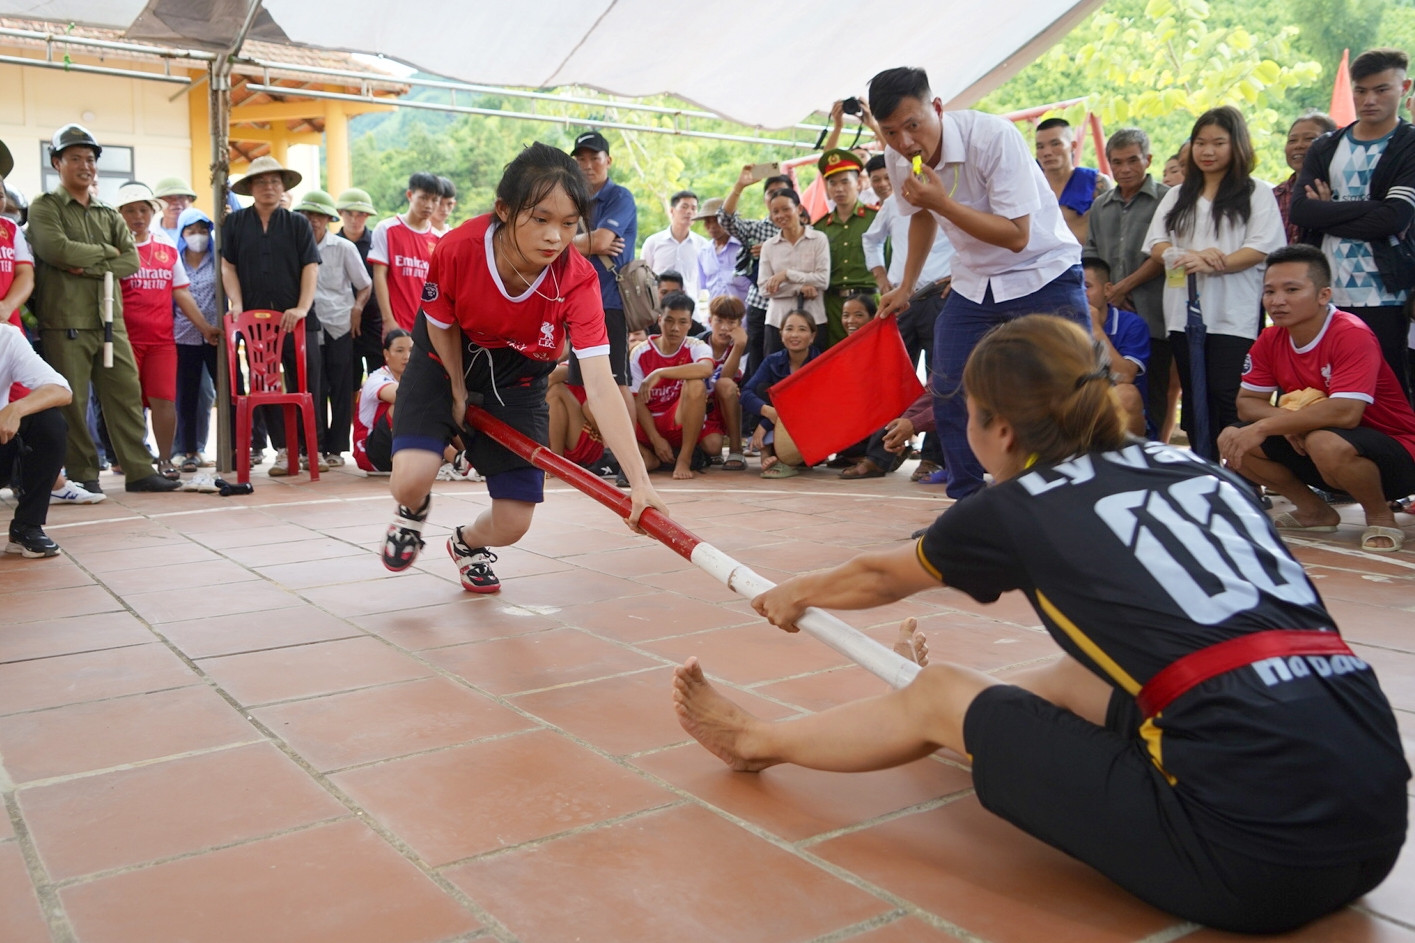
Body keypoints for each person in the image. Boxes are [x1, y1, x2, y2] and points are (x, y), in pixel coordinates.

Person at [672, 313, 1409, 936]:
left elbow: (877, 577)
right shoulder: (1198, 471)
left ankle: (754, 742)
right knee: (1073, 678)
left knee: (942, 693)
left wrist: (795, 593)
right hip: (1374, 825)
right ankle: (968, 732)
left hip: (1253, 863)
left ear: (995, 427)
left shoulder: (1016, 503)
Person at [380, 142, 666, 594]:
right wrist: (456, 391)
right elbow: (441, 326)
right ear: (505, 210)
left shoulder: (578, 279)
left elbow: (600, 382)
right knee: (410, 481)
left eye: (569, 224)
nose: (556, 237)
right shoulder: (458, 248)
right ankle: (412, 509)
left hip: (520, 375)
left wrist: (640, 482)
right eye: (541, 220)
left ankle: (467, 545)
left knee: (514, 521)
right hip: (446, 355)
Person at [869, 66, 1087, 499]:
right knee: (949, 387)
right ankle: (967, 503)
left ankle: (1077, 499)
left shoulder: (992, 138)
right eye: (891, 132)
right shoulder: (898, 157)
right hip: (974, 285)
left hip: (1043, 273)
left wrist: (941, 203)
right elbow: (920, 218)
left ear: (937, 108)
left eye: (913, 125)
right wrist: (906, 285)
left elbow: (1016, 236)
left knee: (1073, 389)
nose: (905, 142)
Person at [1218, 244, 1415, 553]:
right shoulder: (1270, 338)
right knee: (1233, 437)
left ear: (1324, 295)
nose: (1277, 301)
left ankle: (1380, 515)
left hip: (1398, 451)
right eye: (1269, 291)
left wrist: (1266, 427)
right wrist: (1287, 424)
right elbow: (1247, 402)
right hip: (1322, 448)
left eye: (1292, 289)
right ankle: (1314, 511)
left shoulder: (1351, 333)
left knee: (1321, 440)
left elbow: (1346, 412)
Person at [27, 124, 179, 493]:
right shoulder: (44, 207)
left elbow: (129, 261)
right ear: (57, 162)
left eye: (90, 159)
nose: (85, 165)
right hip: (65, 321)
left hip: (112, 321)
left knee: (126, 394)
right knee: (73, 402)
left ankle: (140, 471)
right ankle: (83, 474)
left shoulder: (108, 214)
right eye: (75, 158)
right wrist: (104, 254)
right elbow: (56, 250)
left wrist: (88, 262)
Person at [1143, 106, 1285, 460]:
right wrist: (1187, 256)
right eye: (1200, 143)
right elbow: (1156, 244)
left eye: (1218, 143)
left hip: (1233, 314)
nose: (1207, 151)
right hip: (1182, 313)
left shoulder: (1256, 192)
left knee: (1230, 395)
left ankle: (1245, 477)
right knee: (1194, 395)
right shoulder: (1177, 196)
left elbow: (1261, 247)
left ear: (1237, 145)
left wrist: (1211, 261)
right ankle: (1205, 469)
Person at [1291, 48, 1415, 403]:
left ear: (1404, 87)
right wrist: (1373, 210)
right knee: (1322, 392)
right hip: (1326, 292)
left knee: (1385, 395)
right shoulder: (1327, 146)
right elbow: (1300, 211)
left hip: (1386, 293)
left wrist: (1330, 210)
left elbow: (1396, 218)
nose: (1369, 99)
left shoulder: (1409, 144)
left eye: (1381, 89)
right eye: (1360, 90)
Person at [221, 155, 324, 477]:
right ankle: (283, 451)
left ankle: (312, 450)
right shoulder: (235, 223)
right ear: (251, 187)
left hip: (296, 320)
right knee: (265, 385)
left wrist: (302, 307)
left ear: (283, 188)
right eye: (262, 182)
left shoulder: (296, 223)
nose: (269, 187)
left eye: (275, 182)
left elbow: (310, 265)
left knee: (309, 384)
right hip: (256, 325)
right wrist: (236, 303)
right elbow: (228, 265)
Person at [116, 182, 219, 479]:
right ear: (121, 215)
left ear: (152, 212)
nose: (138, 216)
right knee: (130, 403)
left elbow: (181, 293)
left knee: (164, 400)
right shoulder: (115, 250)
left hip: (163, 341)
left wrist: (206, 328)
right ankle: (135, 461)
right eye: (131, 210)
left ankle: (164, 460)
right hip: (126, 341)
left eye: (143, 210)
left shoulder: (167, 248)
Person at [861, 153, 952, 482]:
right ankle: (880, 457)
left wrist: (962, 272)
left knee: (940, 379)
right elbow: (870, 240)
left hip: (944, 294)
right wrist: (880, 277)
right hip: (902, 297)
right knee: (891, 377)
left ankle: (933, 459)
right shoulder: (894, 202)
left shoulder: (949, 191)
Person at [1084, 127, 1171, 438]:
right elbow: (1091, 253)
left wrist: (1122, 288)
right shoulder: (1100, 206)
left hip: (1154, 309)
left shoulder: (1166, 199)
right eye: (1117, 162)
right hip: (1107, 310)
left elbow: (1164, 253)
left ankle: (1156, 457)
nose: (1124, 169)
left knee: (1154, 389)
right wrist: (1105, 293)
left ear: (1147, 159)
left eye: (1132, 160)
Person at [297, 189, 372, 467]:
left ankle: (335, 449)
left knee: (341, 388)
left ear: (328, 218)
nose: (312, 220)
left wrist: (357, 309)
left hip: (340, 323)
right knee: (313, 386)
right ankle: (312, 447)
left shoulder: (343, 248)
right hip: (308, 324)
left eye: (318, 215)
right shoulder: (296, 245)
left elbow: (365, 285)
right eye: (306, 215)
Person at [569, 130, 638, 409]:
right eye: (580, 159)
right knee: (581, 384)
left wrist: (578, 243)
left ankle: (629, 454)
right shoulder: (570, 199)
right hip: (576, 304)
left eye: (594, 158)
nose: (587, 165)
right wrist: (585, 243)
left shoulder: (620, 197)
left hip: (610, 303)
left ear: (608, 160)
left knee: (616, 383)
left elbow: (601, 240)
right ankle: (598, 452)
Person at [0, 323, 72, 557]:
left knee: (48, 421)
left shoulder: (6, 337)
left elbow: (60, 389)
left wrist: (16, 408)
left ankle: (27, 526)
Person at [719, 167, 795, 379]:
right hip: (761, 306)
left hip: (793, 306)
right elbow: (725, 220)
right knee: (757, 364)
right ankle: (755, 409)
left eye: (782, 191)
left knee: (787, 365)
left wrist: (772, 250)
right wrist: (739, 186)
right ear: (765, 200)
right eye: (771, 193)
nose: (776, 198)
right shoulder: (756, 228)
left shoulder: (807, 231)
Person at [630, 292, 714, 480]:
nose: (675, 328)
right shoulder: (639, 352)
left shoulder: (696, 346)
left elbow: (706, 369)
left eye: (682, 322)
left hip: (677, 421)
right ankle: (647, 456)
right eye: (669, 320)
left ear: (690, 324)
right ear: (659, 320)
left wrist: (660, 373)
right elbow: (636, 401)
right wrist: (655, 438)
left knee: (696, 385)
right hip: (646, 425)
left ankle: (684, 459)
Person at [741, 308, 820, 479]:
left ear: (812, 336)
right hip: (779, 426)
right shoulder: (773, 361)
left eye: (802, 329)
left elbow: (806, 405)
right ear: (781, 334)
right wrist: (768, 412)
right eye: (789, 329)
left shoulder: (819, 363)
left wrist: (766, 423)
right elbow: (746, 393)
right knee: (762, 388)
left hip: (807, 427)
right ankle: (767, 453)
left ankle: (785, 456)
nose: (795, 335)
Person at [813, 149, 878, 347]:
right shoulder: (820, 227)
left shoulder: (875, 219)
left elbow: (891, 260)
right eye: (832, 183)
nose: (838, 189)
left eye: (845, 182)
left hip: (870, 301)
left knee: (872, 355)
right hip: (833, 305)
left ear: (858, 183)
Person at [172, 206, 220, 472]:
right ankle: (187, 450)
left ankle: (234, 448)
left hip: (216, 337)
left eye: (203, 230)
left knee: (223, 392)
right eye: (192, 231)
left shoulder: (217, 261)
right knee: (186, 396)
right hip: (183, 337)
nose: (198, 236)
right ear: (182, 233)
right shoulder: (175, 260)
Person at [1082, 257, 1150, 435]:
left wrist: (1095, 328)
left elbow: (1124, 376)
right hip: (1080, 403)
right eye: (1075, 287)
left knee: (1126, 394)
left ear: (1107, 289)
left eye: (1087, 286)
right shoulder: (1065, 323)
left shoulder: (1132, 324)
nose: (1081, 293)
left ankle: (1128, 460)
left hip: (1116, 407)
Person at [757, 188, 829, 355]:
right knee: (777, 376)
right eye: (775, 211)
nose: (780, 215)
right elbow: (763, 288)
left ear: (799, 209)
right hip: (777, 322)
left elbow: (822, 280)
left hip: (814, 321)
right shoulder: (769, 246)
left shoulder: (818, 239)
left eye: (786, 209)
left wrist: (787, 275)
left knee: (814, 374)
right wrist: (800, 288)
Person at [369, 172, 442, 334]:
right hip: (397, 326)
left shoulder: (440, 240)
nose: (429, 205)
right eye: (423, 198)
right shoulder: (386, 229)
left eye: (434, 200)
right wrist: (388, 320)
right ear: (410, 195)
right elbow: (379, 276)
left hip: (429, 328)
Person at [1035, 117, 1112, 245]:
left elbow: (1111, 230)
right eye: (1040, 147)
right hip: (1040, 261)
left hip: (1085, 260)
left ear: (1073, 145)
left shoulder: (1095, 182)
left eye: (1055, 144)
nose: (1047, 152)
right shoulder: (1031, 186)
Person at [336, 187, 384, 384]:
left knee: (380, 374)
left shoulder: (377, 243)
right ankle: (349, 416)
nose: (355, 219)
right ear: (340, 214)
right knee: (347, 377)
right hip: (341, 320)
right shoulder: (333, 243)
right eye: (349, 214)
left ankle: (380, 416)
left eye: (361, 214)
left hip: (375, 318)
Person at [1271, 112, 1337, 245]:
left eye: (1310, 139)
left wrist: (1326, 211)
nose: (1298, 145)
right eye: (1292, 140)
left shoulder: (1340, 190)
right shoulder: (1274, 195)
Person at [353, 328, 411, 474]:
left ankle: (464, 456)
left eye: (411, 350)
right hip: (369, 453)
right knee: (407, 404)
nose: (407, 356)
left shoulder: (414, 378)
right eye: (399, 351)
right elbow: (403, 396)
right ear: (386, 354)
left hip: (395, 448)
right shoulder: (377, 378)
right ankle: (455, 458)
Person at [701, 294, 748, 470]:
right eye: (719, 321)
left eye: (731, 323)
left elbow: (725, 378)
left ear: (740, 325)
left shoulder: (744, 346)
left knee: (726, 385)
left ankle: (736, 449)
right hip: (704, 406)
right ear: (709, 320)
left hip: (732, 406)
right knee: (712, 447)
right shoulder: (698, 343)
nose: (724, 328)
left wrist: (738, 347)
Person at [641, 190, 709, 302]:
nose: (689, 212)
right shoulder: (653, 242)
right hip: (659, 309)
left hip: (691, 311)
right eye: (684, 207)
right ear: (672, 210)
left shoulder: (702, 245)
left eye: (693, 208)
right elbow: (644, 277)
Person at [695, 198, 751, 305]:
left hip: (744, 316)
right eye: (707, 221)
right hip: (716, 316)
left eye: (717, 220)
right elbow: (705, 286)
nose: (712, 226)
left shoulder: (745, 248)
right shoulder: (703, 252)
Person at [152, 177, 197, 244]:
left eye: (180, 197)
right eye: (169, 197)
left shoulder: (203, 233)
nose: (176, 202)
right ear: (159, 203)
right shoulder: (150, 232)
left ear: (189, 200)